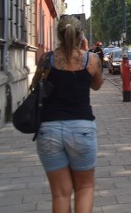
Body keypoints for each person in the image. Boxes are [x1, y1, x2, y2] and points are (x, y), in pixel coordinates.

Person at [32, 14, 104, 213]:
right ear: (81, 35)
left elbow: (35, 87)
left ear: (58, 35)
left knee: (60, 193)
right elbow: (97, 86)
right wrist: (85, 51)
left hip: (48, 130)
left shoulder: (46, 59)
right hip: (81, 129)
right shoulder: (91, 59)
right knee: (85, 187)